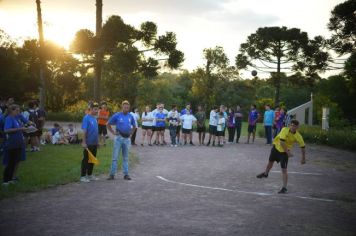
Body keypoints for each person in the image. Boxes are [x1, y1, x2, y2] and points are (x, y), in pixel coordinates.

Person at [256, 119, 306, 194]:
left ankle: (284, 188)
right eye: (291, 125)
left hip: (284, 153)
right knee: (270, 162)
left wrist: (303, 158)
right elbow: (282, 142)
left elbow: (303, 147)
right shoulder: (284, 129)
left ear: (297, 127)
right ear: (289, 125)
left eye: (295, 126)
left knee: (284, 170)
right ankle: (266, 174)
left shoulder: (298, 136)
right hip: (276, 148)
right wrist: (288, 153)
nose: (292, 127)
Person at [107, 100, 137, 180]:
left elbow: (134, 126)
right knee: (115, 157)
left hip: (127, 139)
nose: (126, 109)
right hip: (118, 138)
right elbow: (108, 124)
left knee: (126, 157)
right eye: (125, 107)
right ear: (122, 107)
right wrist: (113, 133)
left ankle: (126, 174)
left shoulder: (130, 116)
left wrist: (131, 134)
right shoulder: (117, 115)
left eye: (127, 107)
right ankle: (112, 174)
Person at [2, 104, 27, 186]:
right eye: (17, 110)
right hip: (12, 143)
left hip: (18, 143)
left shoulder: (15, 118)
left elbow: (19, 128)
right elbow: (7, 130)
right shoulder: (9, 118)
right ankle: (5, 180)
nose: (18, 112)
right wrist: (20, 129)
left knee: (15, 161)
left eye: (19, 110)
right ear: (12, 111)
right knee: (10, 162)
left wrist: (24, 129)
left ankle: (11, 179)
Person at [80, 102, 100, 183]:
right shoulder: (86, 118)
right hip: (88, 143)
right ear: (90, 109)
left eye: (97, 109)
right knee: (86, 160)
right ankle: (83, 176)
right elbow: (84, 131)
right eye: (95, 109)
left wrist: (97, 142)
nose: (96, 111)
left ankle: (90, 175)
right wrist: (84, 142)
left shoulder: (95, 119)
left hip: (94, 143)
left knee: (92, 159)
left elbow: (96, 131)